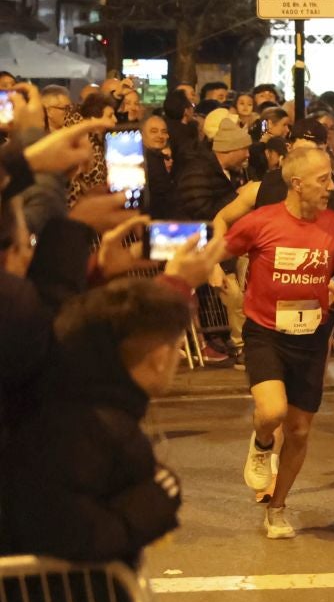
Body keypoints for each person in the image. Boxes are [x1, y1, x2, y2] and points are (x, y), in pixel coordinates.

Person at [2, 240, 222, 566]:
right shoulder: (96, 431)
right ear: (160, 357)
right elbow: (69, 531)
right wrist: (158, 497)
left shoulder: (67, 399)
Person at [226, 147, 334, 536]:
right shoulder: (261, 221)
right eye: (323, 180)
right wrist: (220, 278)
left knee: (301, 430)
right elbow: (220, 249)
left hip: (312, 336)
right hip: (266, 331)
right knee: (272, 411)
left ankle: (278, 507)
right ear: (296, 183)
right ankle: (262, 441)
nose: (331, 187)